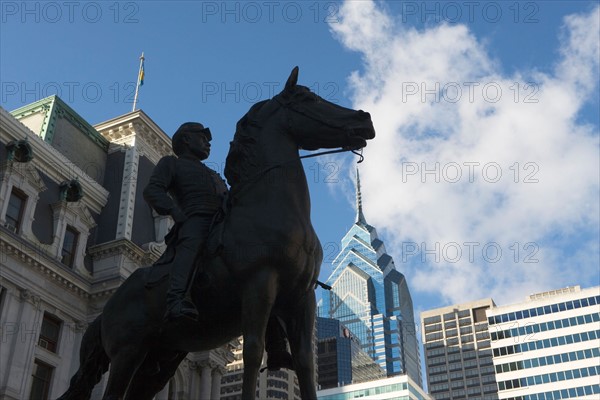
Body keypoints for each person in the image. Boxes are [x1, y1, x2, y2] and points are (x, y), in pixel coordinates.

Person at [144, 122, 227, 321]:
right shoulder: (171, 163)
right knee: (193, 243)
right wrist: (174, 210)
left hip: (221, 220)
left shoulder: (212, 173)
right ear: (187, 139)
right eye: (203, 138)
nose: (208, 143)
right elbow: (152, 190)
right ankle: (176, 299)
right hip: (195, 218)